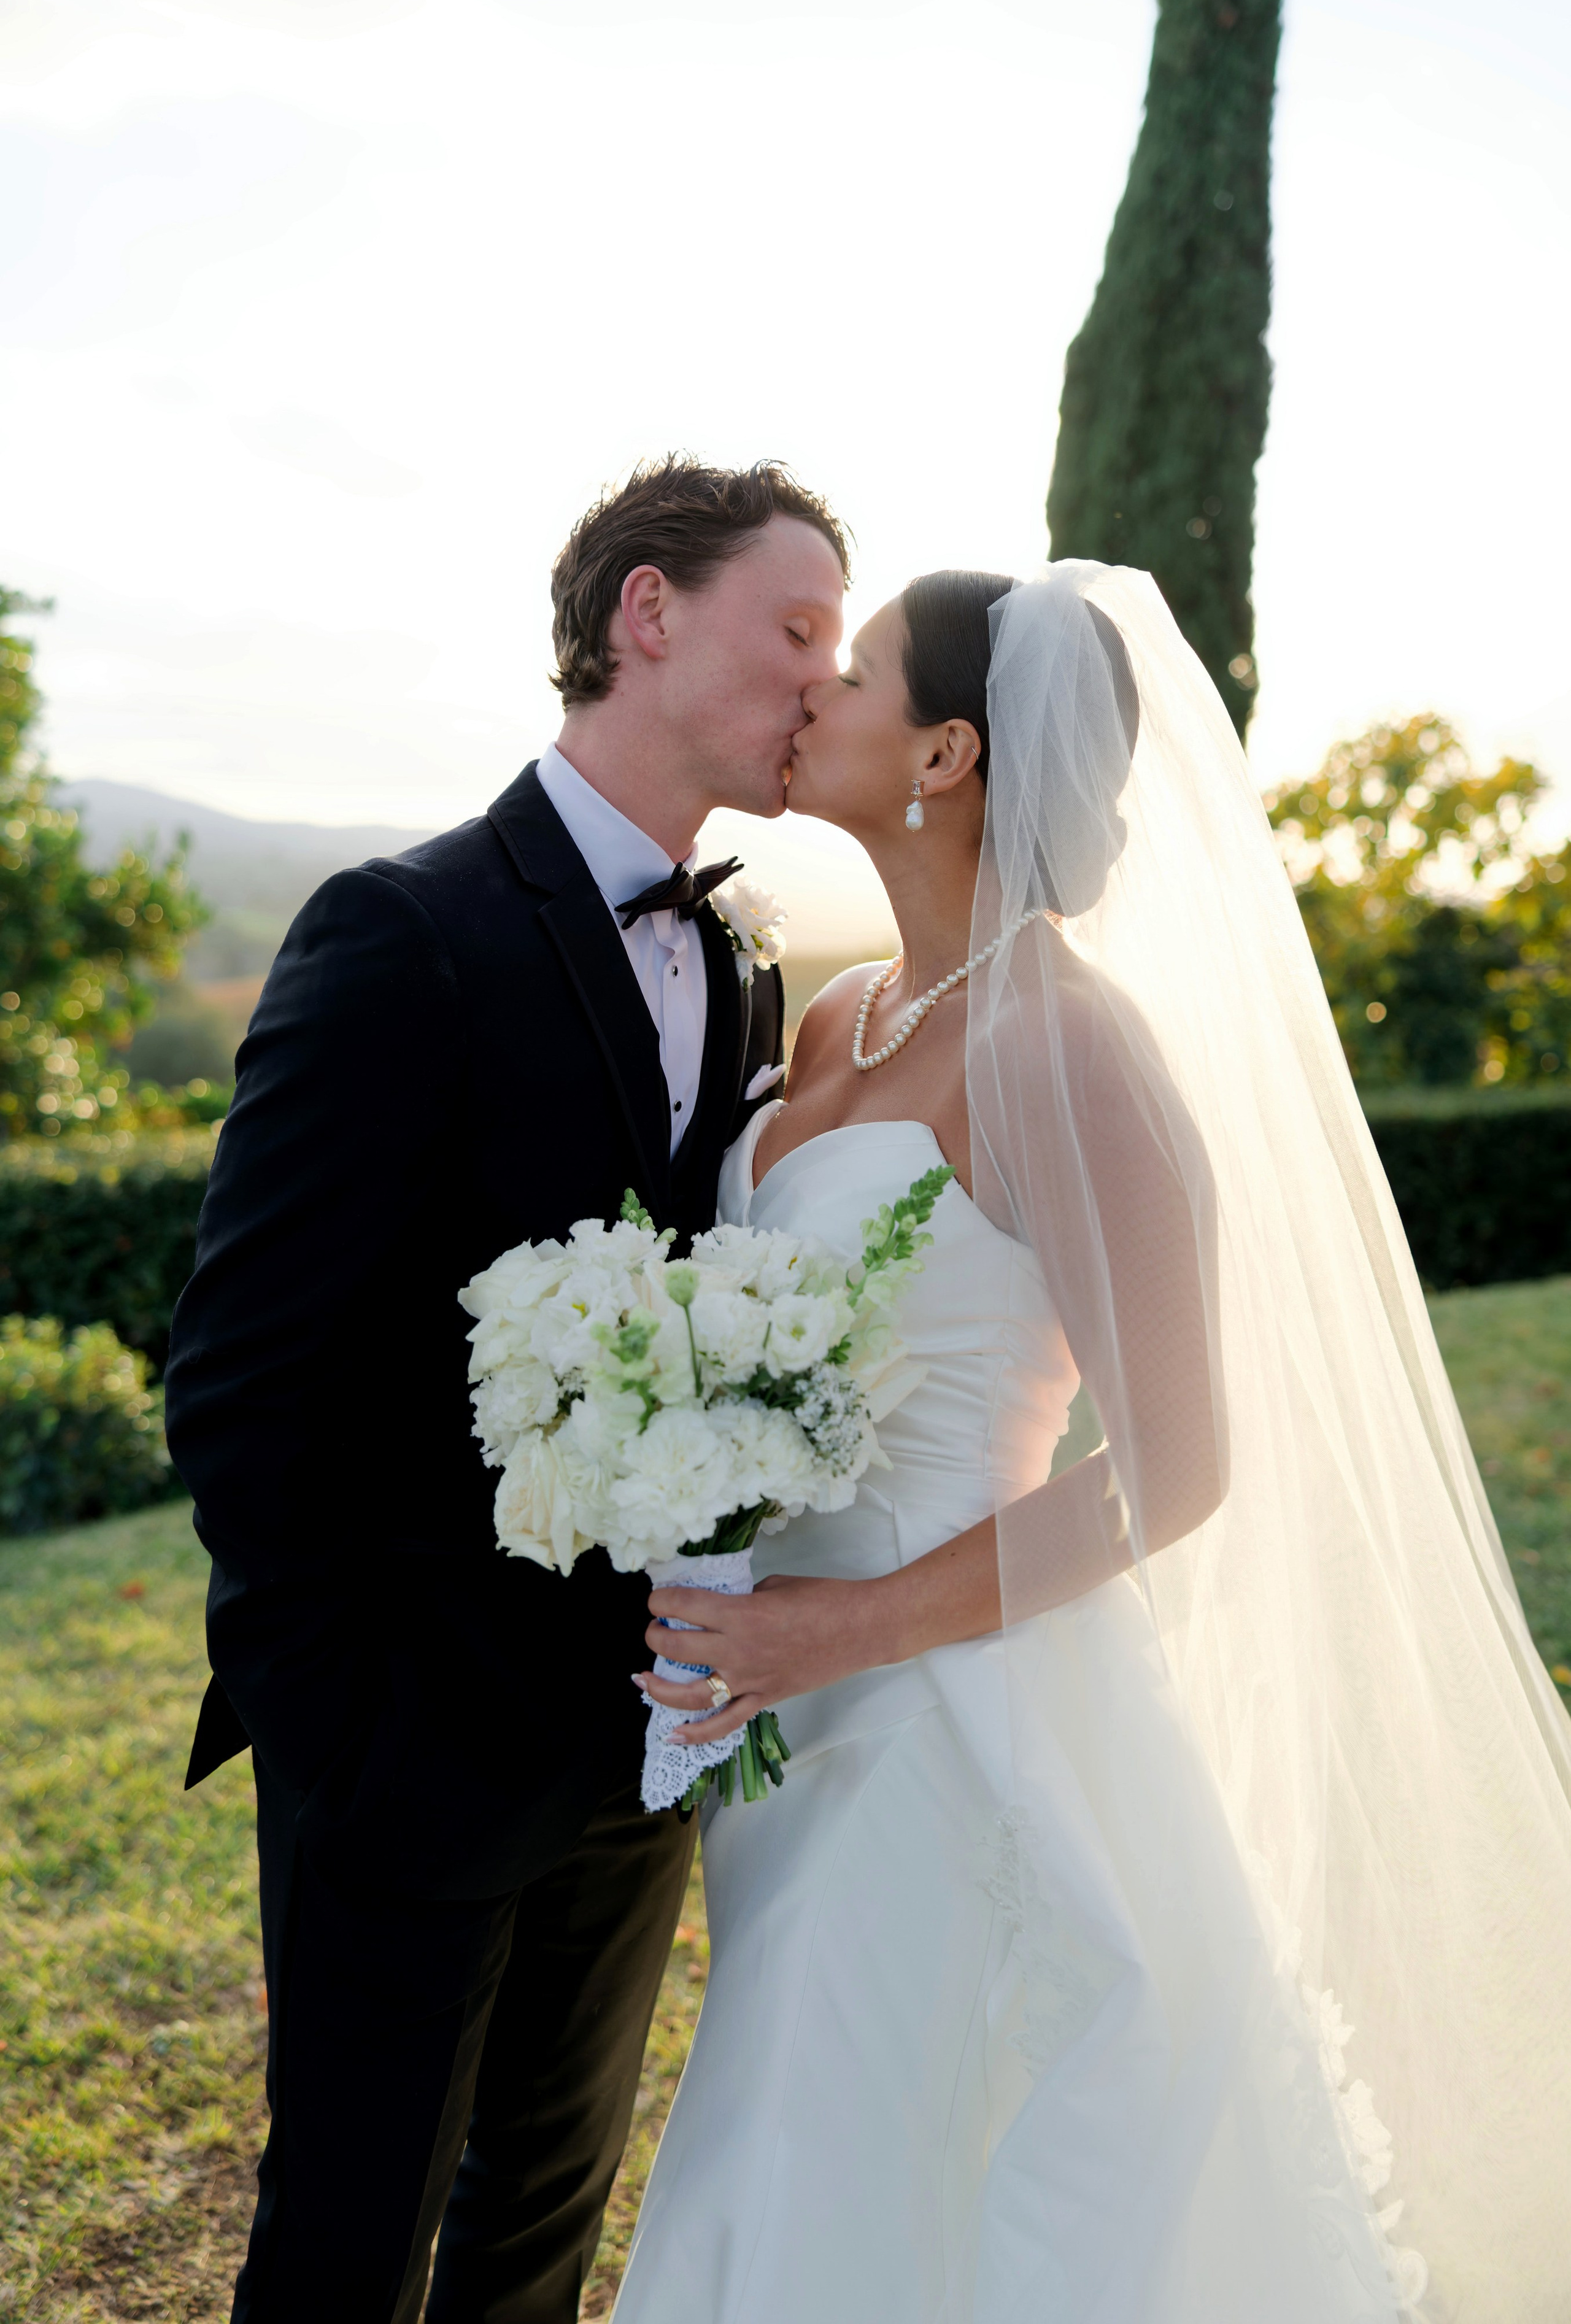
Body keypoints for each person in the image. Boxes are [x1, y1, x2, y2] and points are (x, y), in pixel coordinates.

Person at [615, 564, 1571, 2322]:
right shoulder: (843, 1018)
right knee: (803, 2118)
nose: (818, 687)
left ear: (950, 751)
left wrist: (841, 1629)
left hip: (941, 1716)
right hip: (781, 1713)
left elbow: (1178, 1469)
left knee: (846, 2154)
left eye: (864, 666)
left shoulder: (1072, 1046)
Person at [163, 456, 848, 2324]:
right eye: (798, 628)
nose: (827, 680)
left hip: (630, 1742)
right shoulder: (402, 930)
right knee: (346, 2250)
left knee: (538, 2234)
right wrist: (345, 1738)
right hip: (405, 1757)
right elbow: (238, 1376)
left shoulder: (745, 958)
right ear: (647, 610)